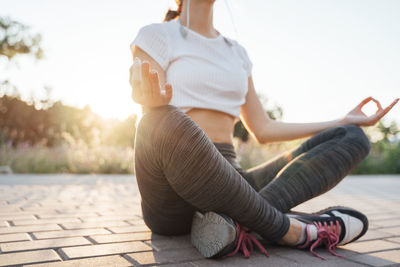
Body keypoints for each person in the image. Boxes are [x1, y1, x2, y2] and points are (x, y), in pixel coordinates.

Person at [129, 0, 399, 260]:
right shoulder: (156, 35)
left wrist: (342, 120)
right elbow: (151, 112)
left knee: (351, 137)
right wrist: (151, 104)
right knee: (158, 119)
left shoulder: (237, 53)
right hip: (173, 188)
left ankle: (233, 227)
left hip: (233, 179)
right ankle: (289, 230)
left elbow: (263, 128)